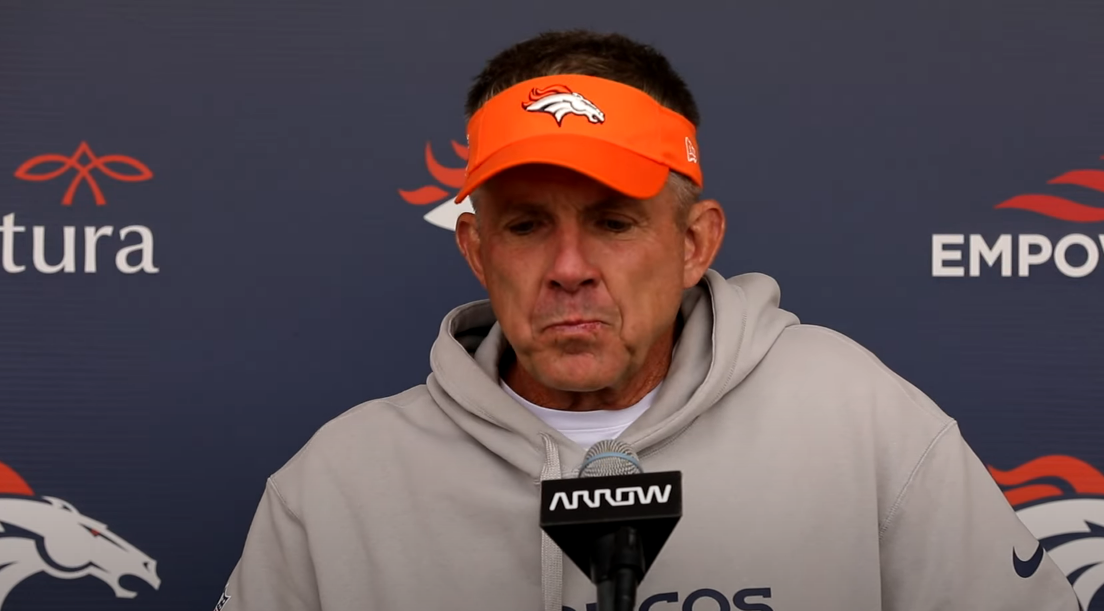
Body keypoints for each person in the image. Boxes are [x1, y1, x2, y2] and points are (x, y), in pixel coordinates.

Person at [217, 30, 1078, 611]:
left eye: (613, 222)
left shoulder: (861, 421)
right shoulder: (334, 489)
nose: (568, 269)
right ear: (478, 251)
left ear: (695, 241)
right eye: (526, 226)